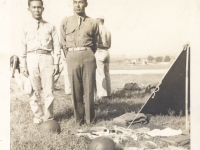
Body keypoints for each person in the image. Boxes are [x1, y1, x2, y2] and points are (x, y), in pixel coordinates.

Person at [20, 0, 61, 124]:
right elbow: (23, 48)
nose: (37, 10)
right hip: (31, 59)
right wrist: (23, 65)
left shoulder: (50, 26)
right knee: (33, 90)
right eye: (34, 7)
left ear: (43, 9)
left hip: (47, 58)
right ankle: (38, 116)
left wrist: (56, 63)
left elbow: (57, 46)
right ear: (29, 9)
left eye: (39, 7)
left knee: (48, 90)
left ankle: (49, 118)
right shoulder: (25, 27)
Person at [60, 0, 99, 125]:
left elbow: (95, 43)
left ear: (86, 4)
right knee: (75, 88)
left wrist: (87, 52)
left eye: (81, 2)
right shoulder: (65, 21)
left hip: (88, 54)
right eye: (75, 2)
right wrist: (70, 55)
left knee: (89, 89)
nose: (77, 5)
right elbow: (63, 42)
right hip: (71, 55)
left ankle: (90, 120)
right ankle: (79, 120)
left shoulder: (92, 22)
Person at [95, 16, 112, 99]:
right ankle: (108, 93)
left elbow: (96, 42)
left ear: (98, 21)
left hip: (100, 51)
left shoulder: (98, 30)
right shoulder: (108, 31)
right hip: (107, 51)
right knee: (106, 73)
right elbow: (110, 45)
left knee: (100, 74)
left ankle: (102, 95)